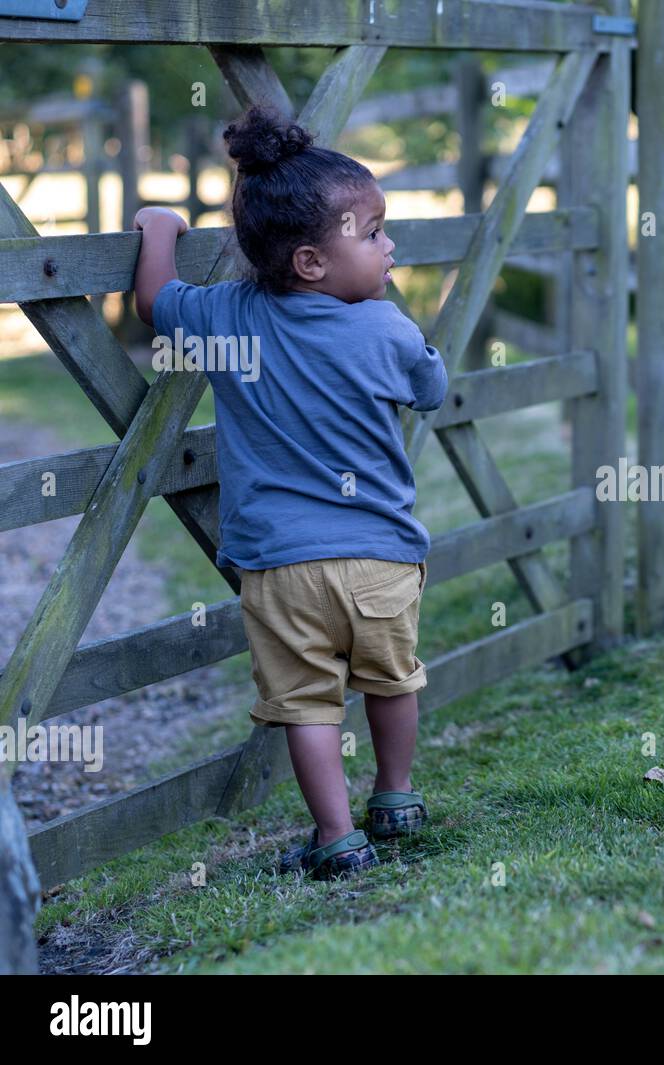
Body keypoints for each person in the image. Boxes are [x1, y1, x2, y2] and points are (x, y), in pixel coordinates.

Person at [131, 105, 448, 881]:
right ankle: (397, 795)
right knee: (392, 677)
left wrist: (160, 228)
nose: (389, 245)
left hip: (280, 567)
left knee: (307, 705)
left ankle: (337, 836)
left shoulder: (226, 317)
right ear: (310, 261)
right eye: (372, 233)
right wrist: (388, 312)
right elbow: (432, 387)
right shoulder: (387, 329)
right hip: (381, 556)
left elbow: (154, 302)